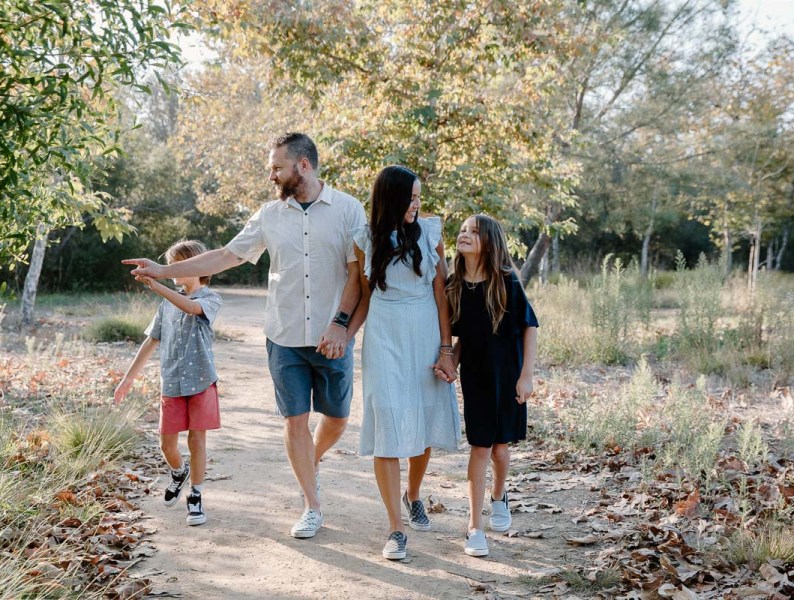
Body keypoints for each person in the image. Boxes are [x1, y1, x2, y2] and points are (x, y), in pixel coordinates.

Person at [122, 132, 367, 539]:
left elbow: (357, 274)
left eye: (277, 167)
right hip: (284, 335)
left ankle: (313, 459)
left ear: (302, 165)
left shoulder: (347, 209)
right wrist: (163, 271)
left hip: (331, 335)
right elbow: (226, 255)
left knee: (337, 419)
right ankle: (311, 504)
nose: (271, 175)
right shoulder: (269, 214)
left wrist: (341, 324)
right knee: (295, 422)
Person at [349, 165, 460, 561]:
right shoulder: (364, 239)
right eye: (410, 197)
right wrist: (344, 335)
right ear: (391, 198)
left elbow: (442, 295)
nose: (416, 204)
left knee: (423, 425)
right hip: (382, 336)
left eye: (418, 197)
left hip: (424, 333)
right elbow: (363, 296)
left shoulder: (431, 233)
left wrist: (447, 349)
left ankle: (413, 494)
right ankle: (395, 529)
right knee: (388, 424)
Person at [444, 214, 539, 558]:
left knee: (500, 449)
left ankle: (499, 496)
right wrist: (451, 360)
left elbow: (530, 327)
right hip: (477, 377)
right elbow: (464, 337)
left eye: (473, 231)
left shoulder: (506, 281)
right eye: (463, 230)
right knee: (480, 448)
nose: (464, 234)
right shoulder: (454, 285)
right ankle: (474, 527)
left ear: (490, 241)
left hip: (509, 374)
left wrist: (527, 374)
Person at [115, 239, 222, 527]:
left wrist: (156, 283)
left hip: (201, 381)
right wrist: (128, 378)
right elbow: (152, 340)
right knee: (167, 446)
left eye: (178, 264)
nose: (172, 269)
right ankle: (179, 472)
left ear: (198, 266)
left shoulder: (210, 299)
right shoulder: (166, 303)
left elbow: (190, 307)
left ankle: (196, 495)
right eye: (170, 263)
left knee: (197, 440)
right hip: (172, 382)